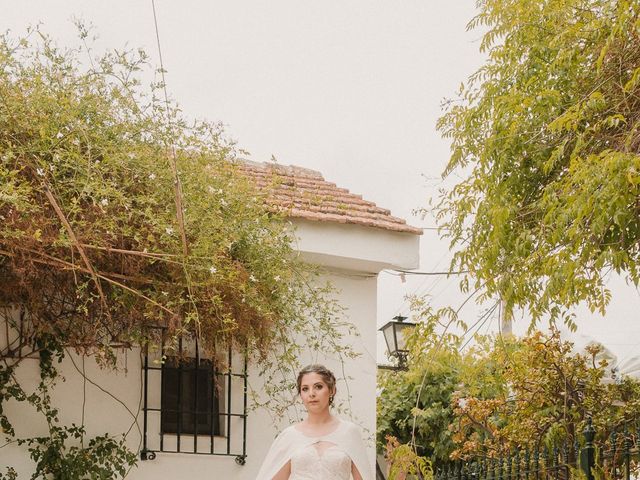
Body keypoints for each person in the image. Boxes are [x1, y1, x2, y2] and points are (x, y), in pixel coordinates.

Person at [255, 364, 373, 480]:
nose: (311, 393)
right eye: (305, 389)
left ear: (332, 390)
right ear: (301, 395)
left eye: (318, 387)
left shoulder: (349, 432)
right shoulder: (289, 436)